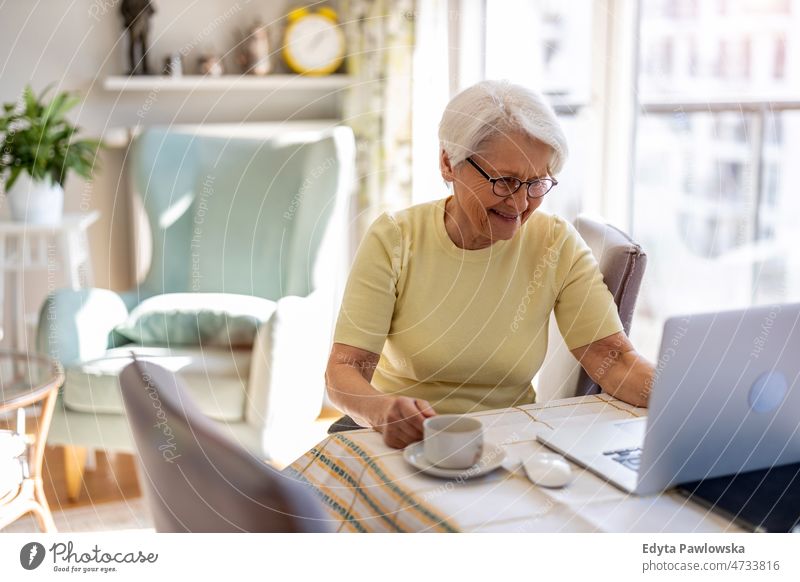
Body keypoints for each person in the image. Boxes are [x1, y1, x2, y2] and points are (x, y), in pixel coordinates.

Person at [325, 80, 655, 449]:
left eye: (536, 183)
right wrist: (382, 410)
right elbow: (344, 370)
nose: (520, 203)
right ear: (448, 162)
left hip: (505, 439)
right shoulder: (395, 238)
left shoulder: (554, 243)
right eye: (505, 182)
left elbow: (614, 361)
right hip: (394, 436)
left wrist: (694, 400)